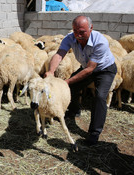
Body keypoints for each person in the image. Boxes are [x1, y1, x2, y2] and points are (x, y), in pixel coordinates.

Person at [45, 15, 117, 145]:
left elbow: (90, 69)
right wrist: (50, 71)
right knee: (71, 88)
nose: (78, 35)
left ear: (91, 28)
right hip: (87, 67)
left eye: (82, 32)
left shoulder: (100, 41)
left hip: (105, 69)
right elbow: (59, 54)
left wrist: (66, 81)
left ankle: (94, 133)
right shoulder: (70, 38)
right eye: (75, 31)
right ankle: (74, 110)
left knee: (100, 96)